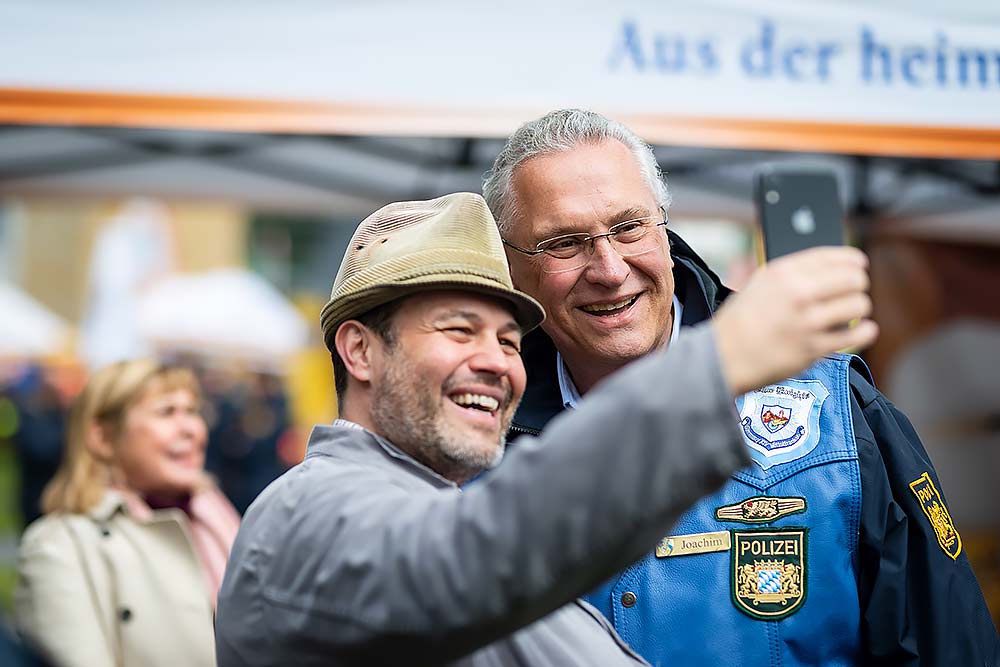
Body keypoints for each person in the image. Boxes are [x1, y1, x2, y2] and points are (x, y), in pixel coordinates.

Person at [215, 192, 876, 666]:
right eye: (459, 329)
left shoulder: (434, 509)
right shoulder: (309, 514)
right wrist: (717, 363)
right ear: (360, 351)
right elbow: (470, 556)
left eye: (509, 340)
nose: (498, 363)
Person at [482, 108, 1000, 666]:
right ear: (511, 266)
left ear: (663, 228)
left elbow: (950, 647)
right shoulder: (477, 439)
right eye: (565, 243)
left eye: (629, 227)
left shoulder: (839, 412)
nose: (609, 269)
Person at [14, 359, 241, 667]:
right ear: (103, 438)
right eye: (167, 412)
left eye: (192, 411)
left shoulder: (216, 514)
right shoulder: (59, 545)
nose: (191, 429)